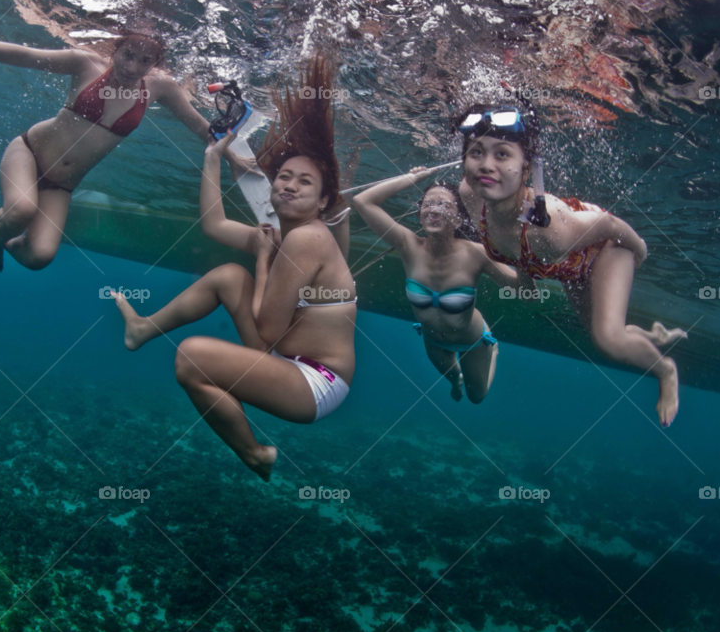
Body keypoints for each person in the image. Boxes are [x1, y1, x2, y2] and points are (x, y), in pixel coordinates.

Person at [111, 56, 355, 481]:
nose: (288, 185)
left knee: (191, 358)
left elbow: (266, 330)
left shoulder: (308, 237)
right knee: (228, 275)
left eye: (304, 182)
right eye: (284, 176)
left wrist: (262, 260)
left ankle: (254, 453)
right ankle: (143, 329)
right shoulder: (285, 233)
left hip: (316, 383)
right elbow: (215, 225)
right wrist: (212, 158)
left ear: (321, 203)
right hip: (288, 356)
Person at [0, 8, 258, 271]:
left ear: (155, 64)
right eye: (127, 55)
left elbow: (200, 126)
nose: (132, 67)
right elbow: (25, 55)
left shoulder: (161, 89)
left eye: (145, 61)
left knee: (39, 258)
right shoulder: (84, 64)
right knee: (20, 211)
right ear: (115, 49)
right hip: (29, 153)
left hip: (61, 185)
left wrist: (232, 160)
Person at [456, 104, 686, 426]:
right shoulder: (470, 195)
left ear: (526, 169)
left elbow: (608, 225)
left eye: (503, 154)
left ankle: (665, 371)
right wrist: (525, 285)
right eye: (476, 152)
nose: (486, 165)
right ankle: (652, 335)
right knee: (598, 331)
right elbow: (516, 252)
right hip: (568, 269)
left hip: (607, 249)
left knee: (608, 340)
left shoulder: (551, 228)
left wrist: (639, 249)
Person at [353, 169, 527, 402]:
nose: (434, 210)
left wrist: (523, 253)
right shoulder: (408, 245)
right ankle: (456, 380)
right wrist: (412, 179)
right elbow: (362, 201)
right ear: (420, 213)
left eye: (444, 205)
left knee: (477, 397)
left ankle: (491, 347)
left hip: (471, 340)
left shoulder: (476, 254)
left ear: (459, 218)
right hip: (432, 340)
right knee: (454, 377)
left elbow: (524, 291)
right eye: (428, 204)